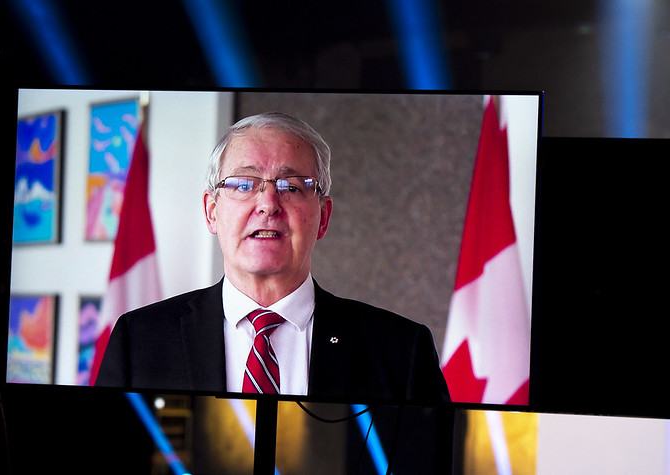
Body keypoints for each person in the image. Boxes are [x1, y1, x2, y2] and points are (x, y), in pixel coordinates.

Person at [95, 112, 450, 404]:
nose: (267, 204)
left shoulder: (401, 350)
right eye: (244, 184)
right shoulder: (138, 340)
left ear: (323, 217)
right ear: (212, 212)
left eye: (292, 187)